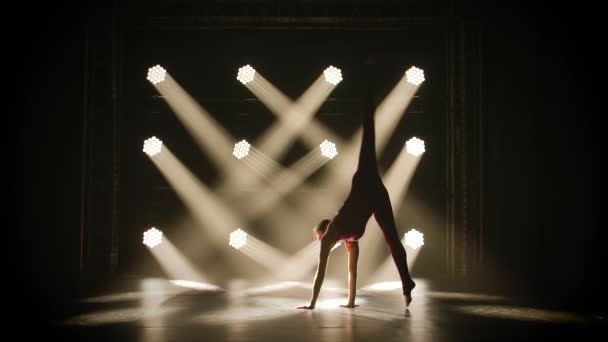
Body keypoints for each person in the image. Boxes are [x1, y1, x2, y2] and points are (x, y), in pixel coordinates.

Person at [297, 85, 416, 310]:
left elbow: (320, 273)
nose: (322, 244)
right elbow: (353, 272)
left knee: (368, 137)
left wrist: (312, 304)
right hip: (376, 194)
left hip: (364, 182)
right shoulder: (349, 241)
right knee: (392, 239)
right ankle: (406, 282)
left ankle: (368, 95)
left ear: (322, 231)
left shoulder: (331, 234)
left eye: (319, 238)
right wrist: (350, 302)